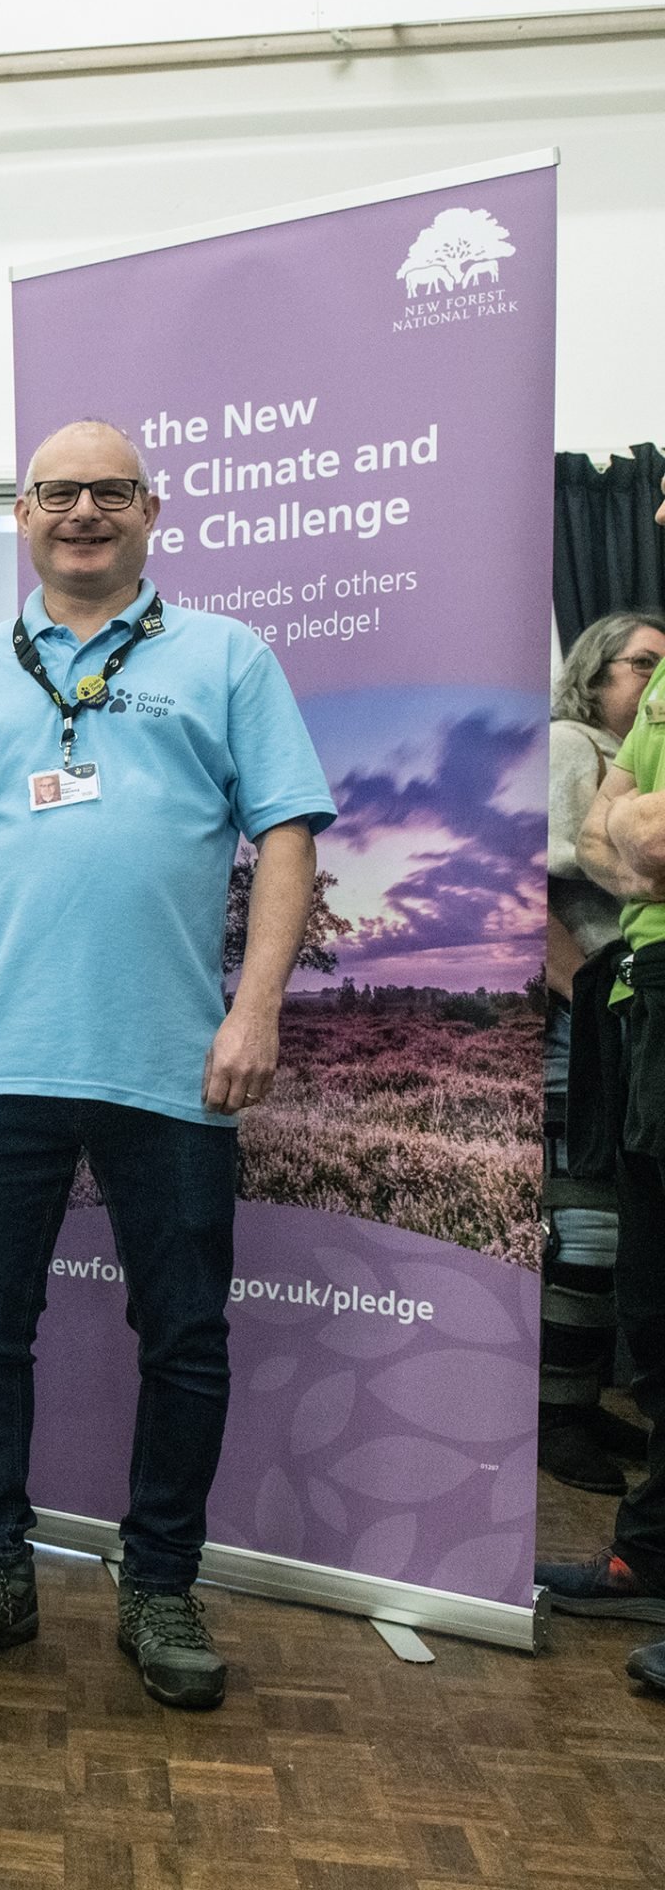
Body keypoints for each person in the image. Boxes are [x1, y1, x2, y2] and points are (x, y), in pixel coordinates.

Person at [0, 420, 333, 1711]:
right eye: (57, 493)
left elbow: (288, 837)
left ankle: (158, 1585)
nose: (81, 512)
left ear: (152, 510)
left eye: (108, 493)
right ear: (25, 514)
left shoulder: (227, 657)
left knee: (185, 1336)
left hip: (172, 1063)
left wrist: (253, 1013)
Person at [545, 478, 665, 1698]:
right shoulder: (576, 745)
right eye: (636, 661)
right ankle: (572, 1426)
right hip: (611, 1010)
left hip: (634, 1007)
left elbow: (629, 851)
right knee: (606, 1240)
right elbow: (581, 866)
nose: (651, 678)